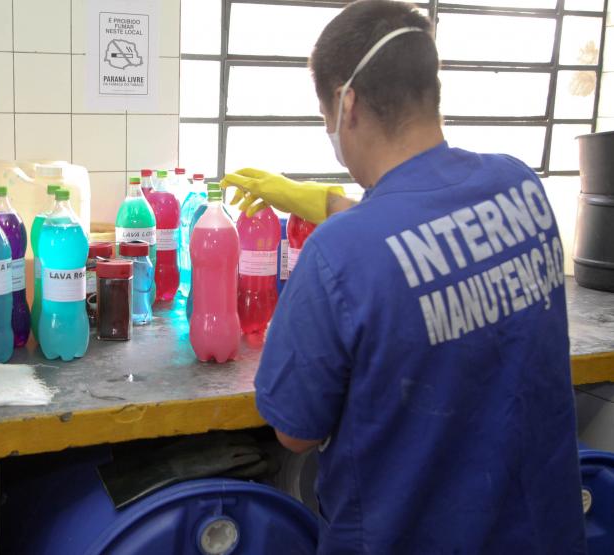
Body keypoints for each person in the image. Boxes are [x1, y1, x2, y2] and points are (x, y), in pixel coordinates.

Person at [221, 1, 586, 552]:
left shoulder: (336, 255)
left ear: (347, 104)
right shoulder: (520, 185)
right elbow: (426, 229)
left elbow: (294, 432)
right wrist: (323, 201)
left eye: (324, 115)